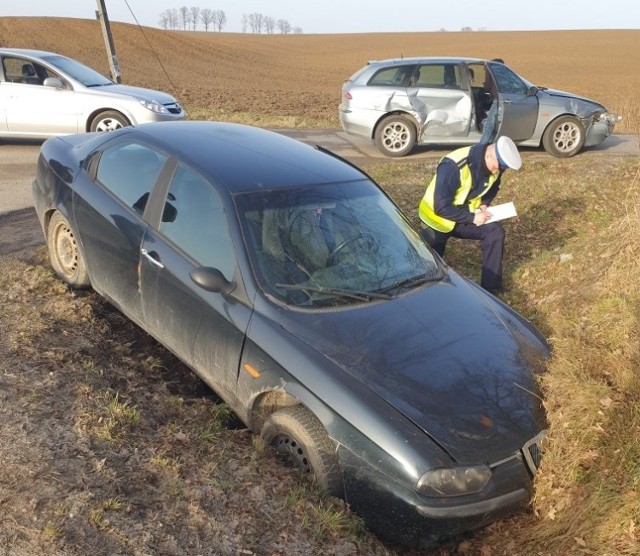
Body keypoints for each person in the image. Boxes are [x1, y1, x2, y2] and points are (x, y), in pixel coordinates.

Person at [418, 136, 521, 293]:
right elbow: (441, 207)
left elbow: (493, 187)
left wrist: (484, 204)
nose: (497, 171)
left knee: (495, 232)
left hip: (465, 217)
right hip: (437, 219)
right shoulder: (453, 166)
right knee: (429, 268)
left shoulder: (495, 166)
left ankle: (491, 289)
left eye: (501, 168)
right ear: (489, 154)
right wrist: (473, 218)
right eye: (497, 166)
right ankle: (429, 290)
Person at [479, 58, 504, 144]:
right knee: (492, 125)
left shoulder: (489, 70)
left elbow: (487, 86)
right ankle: (486, 145)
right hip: (500, 99)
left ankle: (481, 146)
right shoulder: (501, 73)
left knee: (489, 126)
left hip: (497, 100)